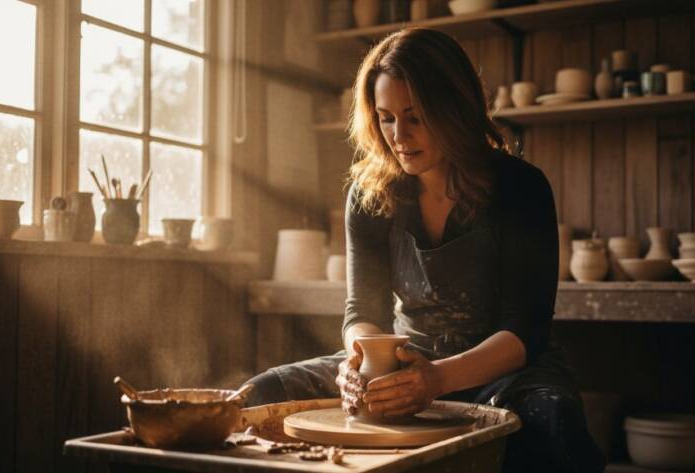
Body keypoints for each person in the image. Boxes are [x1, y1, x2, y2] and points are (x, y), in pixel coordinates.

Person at [243, 28, 604, 473]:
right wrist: (358, 365)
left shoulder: (520, 188)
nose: (398, 135)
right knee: (263, 394)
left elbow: (523, 333)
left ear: (454, 108)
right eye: (386, 117)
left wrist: (437, 379)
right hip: (403, 364)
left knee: (554, 423)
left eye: (415, 117)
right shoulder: (370, 193)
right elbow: (361, 311)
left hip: (502, 371)